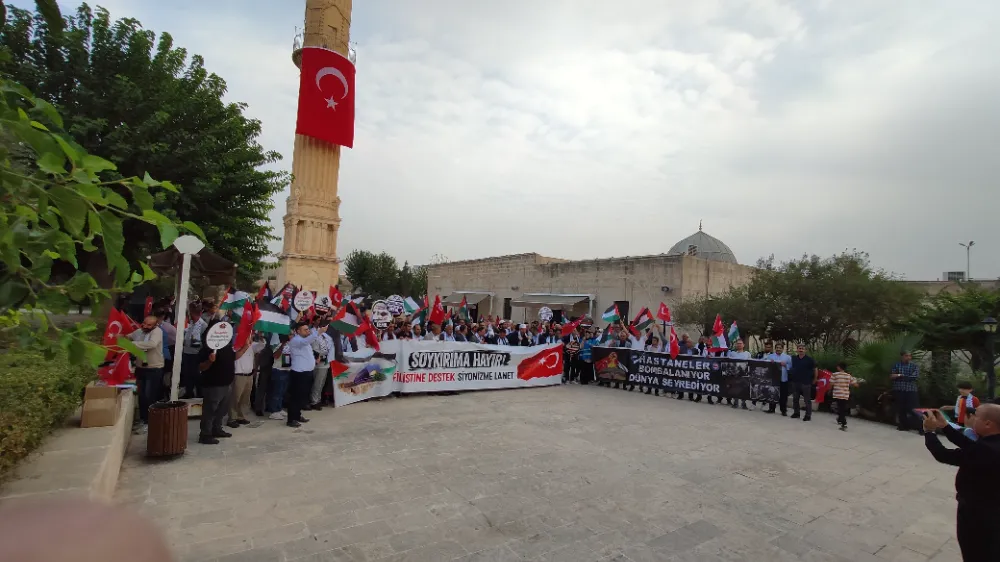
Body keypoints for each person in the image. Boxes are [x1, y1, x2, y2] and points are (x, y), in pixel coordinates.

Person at [922, 405, 1000, 561]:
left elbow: (943, 454)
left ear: (988, 424)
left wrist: (929, 432)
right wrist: (945, 426)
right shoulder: (992, 444)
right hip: (992, 510)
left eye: (976, 416)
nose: (971, 418)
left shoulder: (986, 450)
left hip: (978, 515)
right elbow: (970, 446)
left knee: (976, 553)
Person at [197, 319, 236, 444]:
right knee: (210, 410)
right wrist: (210, 361)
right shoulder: (207, 348)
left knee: (221, 410)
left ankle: (217, 428)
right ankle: (205, 434)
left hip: (226, 383)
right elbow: (201, 367)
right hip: (213, 385)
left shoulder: (227, 346)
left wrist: (246, 346)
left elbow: (235, 357)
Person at [129, 315, 165, 433]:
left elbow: (152, 344)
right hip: (141, 368)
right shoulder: (140, 331)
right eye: (144, 323)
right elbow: (129, 336)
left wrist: (134, 344)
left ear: (155, 325)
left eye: (149, 325)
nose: (145, 326)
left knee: (150, 396)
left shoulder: (157, 332)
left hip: (153, 368)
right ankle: (143, 419)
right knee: (142, 396)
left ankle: (150, 422)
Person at [286, 321, 324, 428]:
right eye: (305, 330)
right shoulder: (296, 340)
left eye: (308, 329)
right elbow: (306, 341)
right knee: (295, 397)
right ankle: (291, 419)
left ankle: (297, 415)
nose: (308, 331)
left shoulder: (304, 341)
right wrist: (318, 332)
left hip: (306, 372)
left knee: (301, 396)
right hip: (299, 373)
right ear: (298, 331)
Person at [227, 336, 261, 428]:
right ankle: (232, 418)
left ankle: (240, 416)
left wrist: (260, 337)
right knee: (235, 397)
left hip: (249, 375)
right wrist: (245, 346)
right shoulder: (236, 345)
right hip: (238, 375)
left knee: (245, 398)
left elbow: (261, 346)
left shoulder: (252, 345)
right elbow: (236, 356)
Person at [180, 302, 207, 399]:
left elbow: (203, 341)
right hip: (186, 352)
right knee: (187, 374)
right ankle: (189, 392)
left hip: (196, 354)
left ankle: (200, 394)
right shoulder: (190, 323)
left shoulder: (203, 325)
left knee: (196, 375)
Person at [309, 320, 336, 411]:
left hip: (325, 362)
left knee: (321, 383)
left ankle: (317, 399)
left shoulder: (326, 336)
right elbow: (314, 349)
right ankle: (314, 401)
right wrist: (320, 355)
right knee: (316, 383)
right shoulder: (314, 335)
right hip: (317, 362)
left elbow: (329, 348)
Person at [891, 351, 921, 432]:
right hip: (899, 389)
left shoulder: (914, 366)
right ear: (902, 356)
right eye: (906, 356)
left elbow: (914, 377)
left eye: (909, 356)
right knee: (901, 409)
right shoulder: (896, 365)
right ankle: (904, 426)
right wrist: (899, 375)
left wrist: (900, 375)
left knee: (914, 409)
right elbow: (892, 376)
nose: (908, 357)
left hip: (911, 390)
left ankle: (921, 428)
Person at [788, 344, 817, 421]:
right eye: (799, 348)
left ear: (805, 350)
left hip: (806, 382)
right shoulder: (793, 359)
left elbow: (815, 369)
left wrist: (815, 379)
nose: (801, 350)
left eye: (802, 349)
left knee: (807, 400)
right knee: (795, 399)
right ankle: (796, 413)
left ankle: (808, 415)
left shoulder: (810, 360)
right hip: (795, 381)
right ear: (797, 350)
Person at [829, 361, 861, 431]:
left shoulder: (835, 374)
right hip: (845, 394)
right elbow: (856, 385)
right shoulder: (848, 376)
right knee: (841, 407)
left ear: (839, 367)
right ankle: (840, 419)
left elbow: (831, 384)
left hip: (837, 394)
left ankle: (844, 423)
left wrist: (829, 390)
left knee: (840, 408)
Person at [765, 343, 793, 415]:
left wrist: (785, 365)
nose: (778, 349)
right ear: (775, 348)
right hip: (773, 379)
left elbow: (791, 367)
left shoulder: (787, 357)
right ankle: (771, 409)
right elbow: (765, 365)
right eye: (777, 348)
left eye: (780, 348)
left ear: (782, 349)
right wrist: (769, 363)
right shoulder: (770, 356)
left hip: (783, 379)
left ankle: (783, 410)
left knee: (783, 395)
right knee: (772, 393)